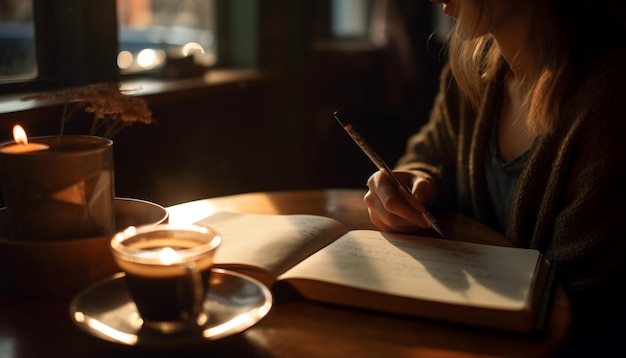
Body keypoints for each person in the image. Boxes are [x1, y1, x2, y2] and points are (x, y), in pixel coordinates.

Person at [364, 0, 626, 353]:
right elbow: (427, 156)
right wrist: (414, 185)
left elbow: (576, 303)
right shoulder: (474, 77)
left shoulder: (607, 104)